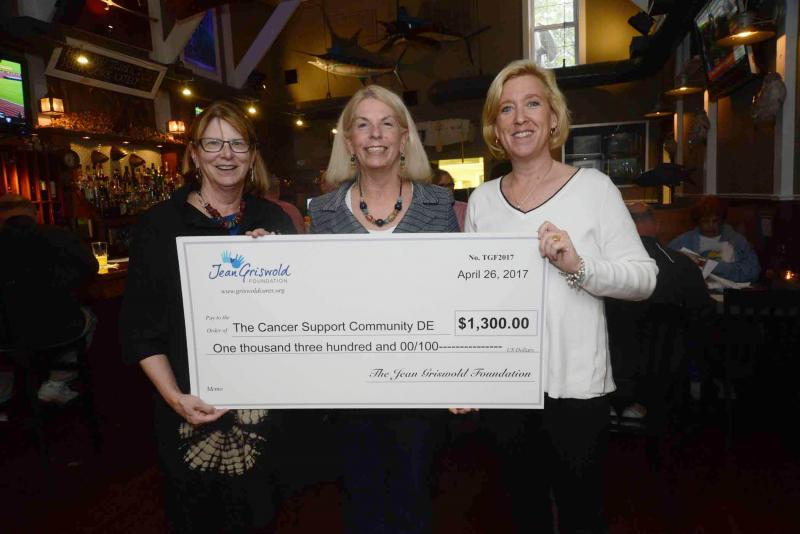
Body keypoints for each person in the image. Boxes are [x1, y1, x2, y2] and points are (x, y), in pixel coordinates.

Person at [464, 59, 657, 533]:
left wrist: (579, 267)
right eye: (506, 109)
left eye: (532, 104)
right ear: (495, 127)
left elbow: (644, 278)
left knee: (581, 513)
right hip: (505, 386)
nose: (520, 118)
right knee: (520, 509)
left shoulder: (594, 189)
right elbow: (469, 299)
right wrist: (463, 373)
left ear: (554, 117)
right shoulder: (482, 201)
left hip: (575, 387)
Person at [119, 101, 295, 534]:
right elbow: (140, 330)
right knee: (196, 515)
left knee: (263, 513)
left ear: (252, 155)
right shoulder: (161, 225)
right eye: (213, 143)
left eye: (237, 143)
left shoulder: (273, 219)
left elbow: (297, 318)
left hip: (263, 407)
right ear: (194, 154)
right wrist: (175, 397)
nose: (226, 154)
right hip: (189, 405)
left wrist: (282, 266)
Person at [308, 84, 458, 534]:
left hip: (420, 388)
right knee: (360, 504)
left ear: (404, 138)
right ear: (348, 141)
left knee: (415, 502)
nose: (376, 134)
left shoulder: (439, 204)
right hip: (350, 388)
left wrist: (465, 372)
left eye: (387, 123)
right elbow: (315, 296)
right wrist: (266, 258)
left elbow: (455, 294)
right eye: (363, 124)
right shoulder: (325, 211)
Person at [606, 202, 714, 419]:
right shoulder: (684, 266)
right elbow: (702, 315)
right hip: (667, 374)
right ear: (656, 225)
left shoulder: (605, 268)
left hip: (610, 374)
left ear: (621, 227)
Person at [0, 194, 98, 405]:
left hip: (6, 332)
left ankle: (3, 394)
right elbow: (91, 268)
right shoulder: (58, 235)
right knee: (89, 317)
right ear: (33, 213)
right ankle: (56, 383)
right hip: (60, 326)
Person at [669, 195, 760, 283]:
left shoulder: (737, 241)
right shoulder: (684, 241)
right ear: (698, 222)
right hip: (698, 293)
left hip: (730, 292)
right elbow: (667, 267)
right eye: (705, 221)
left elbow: (753, 272)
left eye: (715, 221)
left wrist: (711, 266)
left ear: (721, 221)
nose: (711, 226)